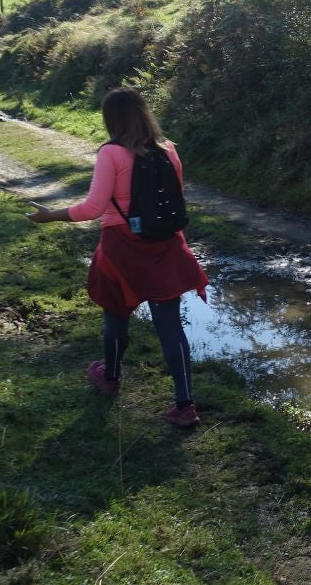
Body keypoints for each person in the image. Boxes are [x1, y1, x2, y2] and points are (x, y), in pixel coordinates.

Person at [27, 86, 208, 428]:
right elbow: (173, 202)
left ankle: (110, 377)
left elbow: (94, 208)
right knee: (171, 328)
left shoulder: (111, 153)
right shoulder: (169, 150)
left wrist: (51, 215)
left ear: (111, 120)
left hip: (121, 248)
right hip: (166, 247)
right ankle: (185, 406)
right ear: (144, 113)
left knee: (116, 315)